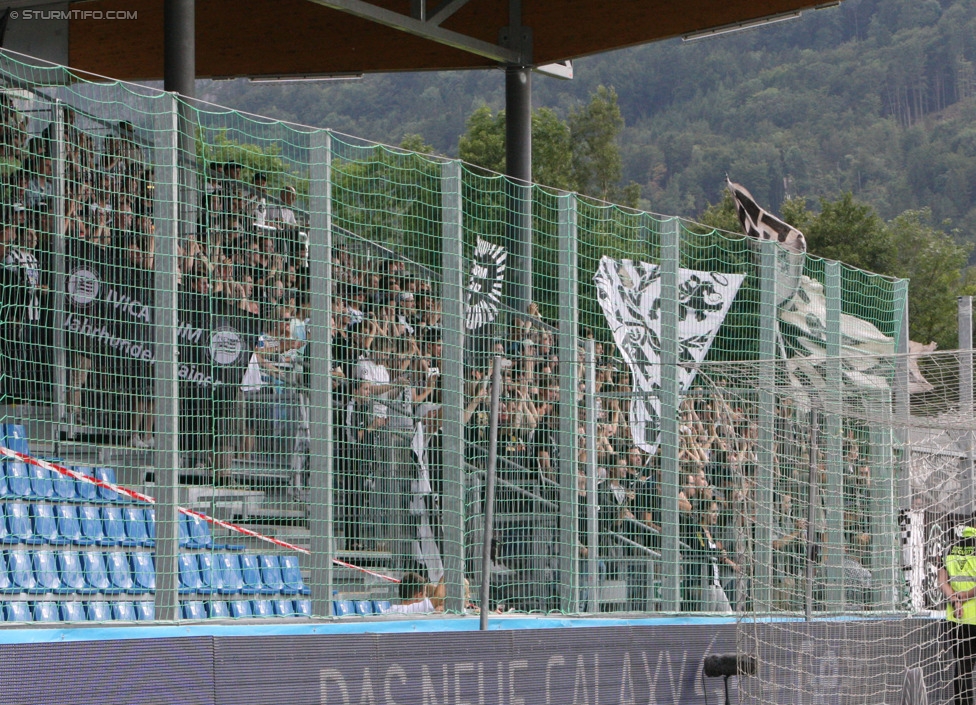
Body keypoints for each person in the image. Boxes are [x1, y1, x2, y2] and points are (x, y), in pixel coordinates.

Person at [939, 521, 976, 705]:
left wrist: (955, 600)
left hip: (957, 618)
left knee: (963, 668)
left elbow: (941, 580)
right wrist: (966, 595)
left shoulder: (950, 547)